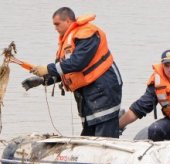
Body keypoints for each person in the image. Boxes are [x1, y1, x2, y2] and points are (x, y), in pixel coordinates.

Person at [25, 7, 123, 138]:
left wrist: (48, 69)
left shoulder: (87, 34)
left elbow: (77, 63)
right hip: (88, 93)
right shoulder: (67, 41)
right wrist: (44, 80)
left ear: (68, 21)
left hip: (103, 88)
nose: (55, 28)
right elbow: (65, 70)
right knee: (88, 133)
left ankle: (116, 133)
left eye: (57, 24)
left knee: (104, 134)